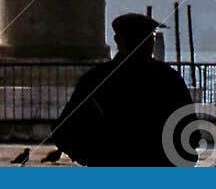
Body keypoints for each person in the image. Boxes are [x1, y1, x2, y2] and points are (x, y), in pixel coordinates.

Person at [52, 13, 196, 166]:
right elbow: (189, 133)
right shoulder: (168, 79)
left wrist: (92, 158)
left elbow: (64, 130)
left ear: (118, 41)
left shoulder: (96, 79)